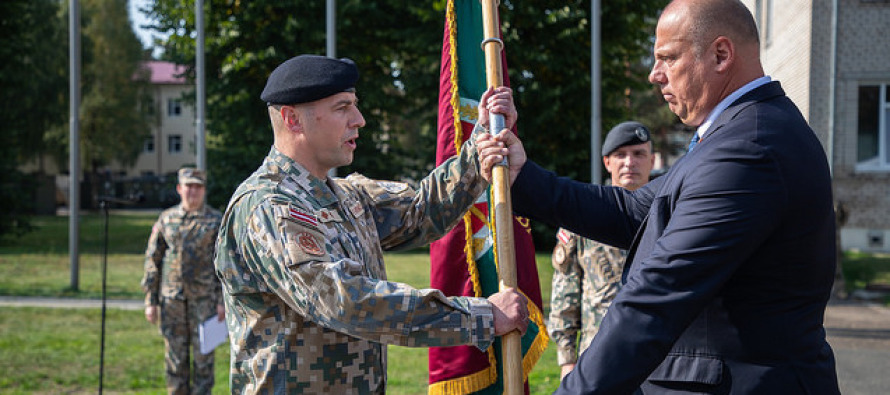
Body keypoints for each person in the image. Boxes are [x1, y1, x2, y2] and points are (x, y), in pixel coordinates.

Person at [477, 0, 841, 393]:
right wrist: (522, 177)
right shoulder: (737, 134)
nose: (654, 75)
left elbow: (656, 297)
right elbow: (632, 210)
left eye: (667, 58)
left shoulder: (750, 148)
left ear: (720, 55)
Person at [213, 54, 529, 394]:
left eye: (355, 105)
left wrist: (482, 147)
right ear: (293, 119)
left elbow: (420, 211)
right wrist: (478, 317)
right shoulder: (268, 207)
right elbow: (345, 302)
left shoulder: (346, 195)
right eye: (342, 107)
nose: (359, 120)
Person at [548, 121, 655, 380]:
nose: (630, 162)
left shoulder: (673, 215)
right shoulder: (584, 215)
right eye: (621, 155)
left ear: (652, 161)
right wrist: (566, 360)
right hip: (598, 358)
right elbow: (566, 291)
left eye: (639, 154)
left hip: (659, 357)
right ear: (607, 162)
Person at [142, 167, 225, 395]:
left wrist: (222, 301)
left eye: (198, 187)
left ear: (204, 190)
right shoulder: (167, 219)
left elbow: (224, 264)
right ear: (180, 189)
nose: (193, 192)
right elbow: (153, 259)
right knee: (175, 362)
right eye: (189, 186)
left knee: (203, 362)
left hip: (205, 303)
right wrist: (151, 300)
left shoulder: (216, 220)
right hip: (172, 302)